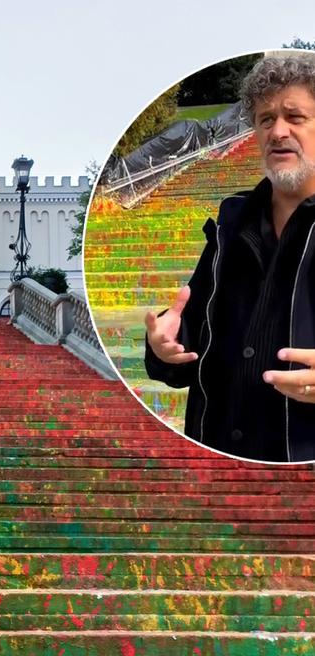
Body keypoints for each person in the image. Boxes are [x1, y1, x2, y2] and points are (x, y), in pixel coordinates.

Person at [145, 53, 315, 462]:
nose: (278, 132)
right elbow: (188, 345)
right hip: (216, 461)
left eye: (295, 117)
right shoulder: (230, 225)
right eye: (265, 119)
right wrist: (164, 346)